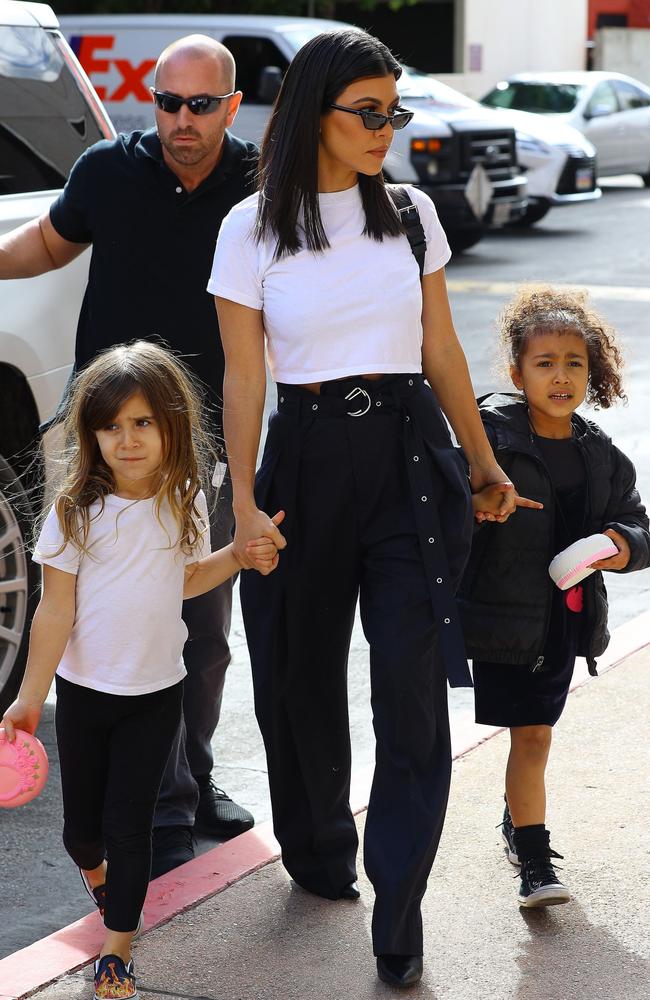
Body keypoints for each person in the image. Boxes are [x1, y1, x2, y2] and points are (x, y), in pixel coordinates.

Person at [208, 29, 529, 989]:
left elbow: (441, 351)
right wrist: (243, 503)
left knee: (410, 680)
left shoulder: (412, 214)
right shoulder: (251, 225)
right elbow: (240, 379)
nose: (389, 128)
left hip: (406, 458)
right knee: (297, 673)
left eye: (396, 110)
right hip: (302, 460)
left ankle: (400, 903)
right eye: (371, 112)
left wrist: (481, 462)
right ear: (318, 111)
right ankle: (316, 850)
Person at [0, 34, 260, 875]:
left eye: (201, 105)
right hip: (105, 440)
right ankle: (150, 799)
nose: (182, 122)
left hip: (204, 440)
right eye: (167, 102)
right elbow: (48, 243)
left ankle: (192, 774)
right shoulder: (107, 170)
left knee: (201, 627)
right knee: (92, 615)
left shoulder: (259, 183)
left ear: (230, 103)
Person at [0, 342, 281, 1000]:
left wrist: (238, 557)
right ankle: (108, 893)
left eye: (143, 423)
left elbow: (184, 580)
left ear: (171, 427)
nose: (127, 440)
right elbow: (52, 614)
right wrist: (30, 699)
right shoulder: (75, 515)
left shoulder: (182, 500)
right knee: (80, 835)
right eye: (111, 425)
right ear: (92, 434)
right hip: (85, 696)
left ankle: (118, 946)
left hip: (156, 698)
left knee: (134, 828)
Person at [458, 285, 650, 909]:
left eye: (574, 363)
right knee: (532, 735)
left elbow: (638, 523)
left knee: (533, 735)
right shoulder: (490, 435)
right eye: (545, 364)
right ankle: (535, 861)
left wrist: (622, 542)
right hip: (504, 619)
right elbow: (431, 505)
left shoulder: (600, 453)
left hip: (563, 625)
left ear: (593, 371)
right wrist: (475, 505)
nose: (560, 376)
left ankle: (520, 827)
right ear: (517, 373)